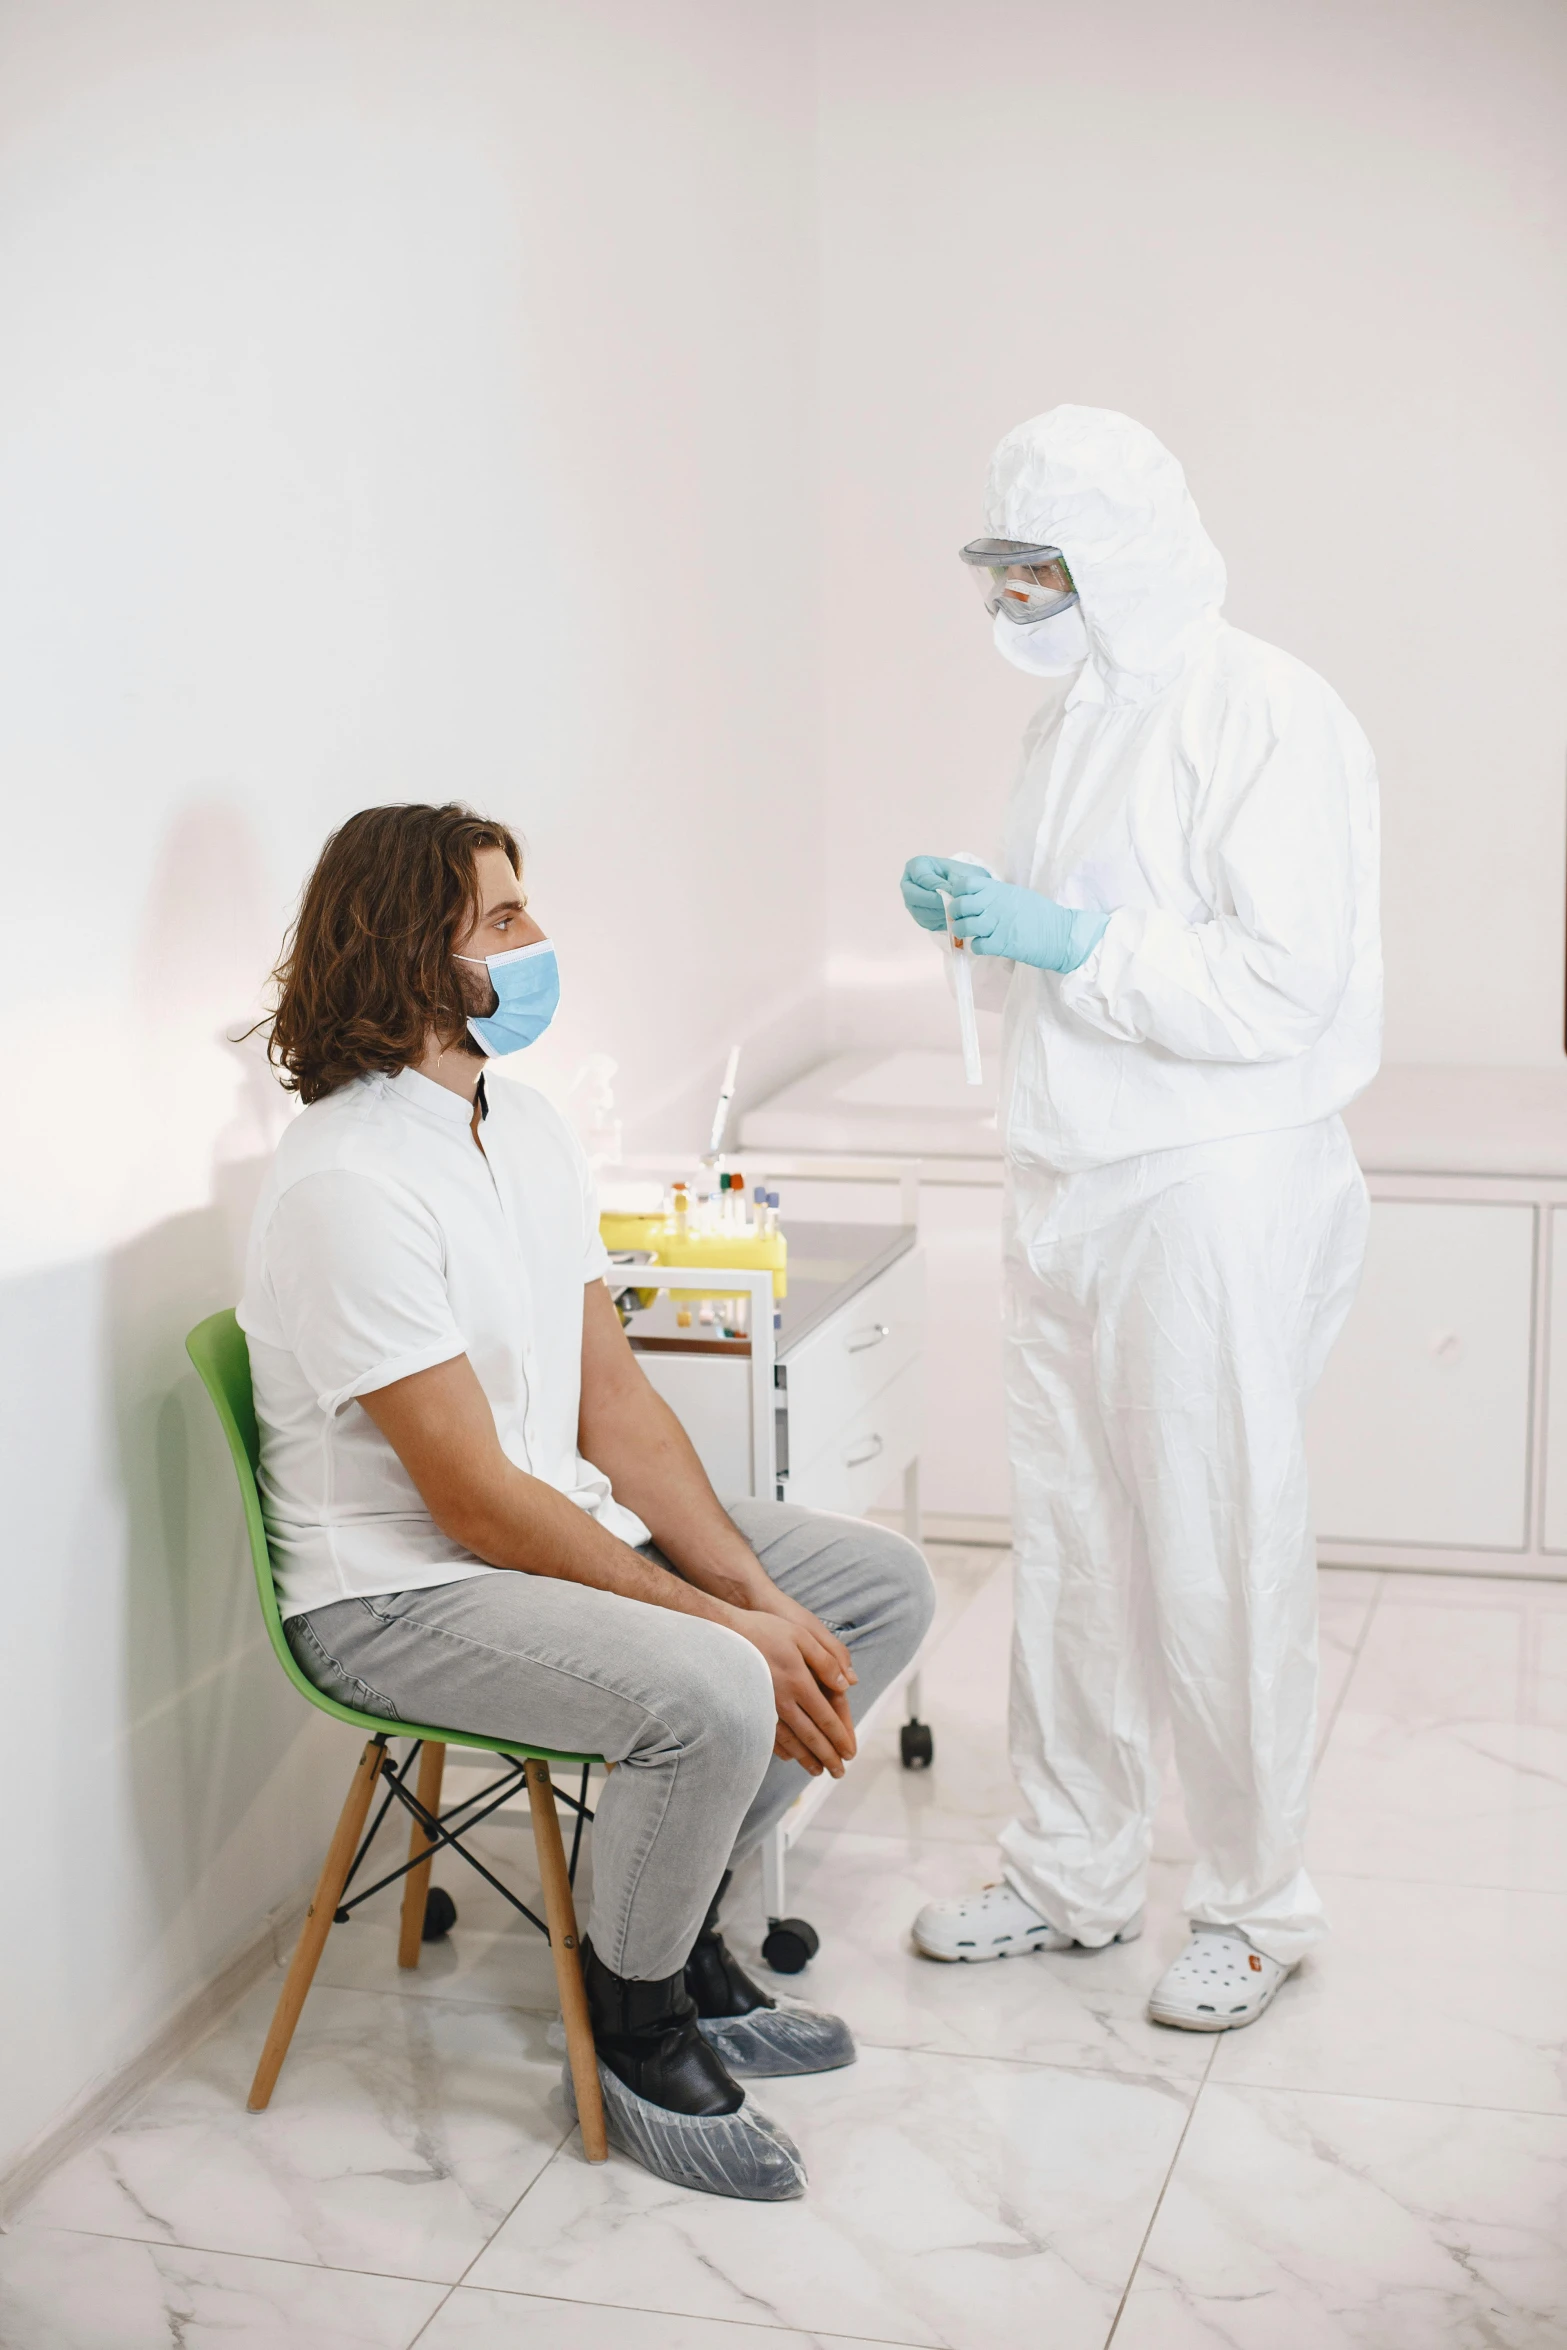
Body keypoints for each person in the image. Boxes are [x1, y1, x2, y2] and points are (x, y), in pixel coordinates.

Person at [240, 802, 934, 2195]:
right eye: (503, 921)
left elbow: (609, 1406)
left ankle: (664, 1929)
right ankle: (628, 2023)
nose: (539, 940)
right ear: (404, 955)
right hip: (397, 1592)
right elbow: (476, 1506)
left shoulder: (521, 1126)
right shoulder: (349, 1182)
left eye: (525, 908)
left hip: (520, 1533)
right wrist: (720, 1628)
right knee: (720, 1685)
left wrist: (756, 1589)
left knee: (876, 1583)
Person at [900, 407, 1380, 2031]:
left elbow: (1276, 981)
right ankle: (1070, 1866)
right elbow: (1079, 940)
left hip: (1208, 1177)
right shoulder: (1073, 718)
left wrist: (1070, 936)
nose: (1013, 600)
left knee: (1217, 1541)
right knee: (1075, 1542)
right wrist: (989, 918)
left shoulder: (1267, 710)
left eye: (1034, 570)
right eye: (999, 569)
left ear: (1116, 559)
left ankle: (1256, 1902)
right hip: (1072, 1173)